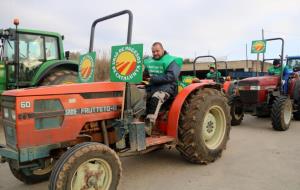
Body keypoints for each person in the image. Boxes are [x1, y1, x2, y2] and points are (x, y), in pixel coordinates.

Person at [143, 42, 182, 135]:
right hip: (153, 87)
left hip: (168, 88)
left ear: (163, 50)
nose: (155, 53)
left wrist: (153, 79)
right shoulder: (150, 62)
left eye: (157, 51)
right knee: (138, 95)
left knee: (156, 97)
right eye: (153, 52)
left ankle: (148, 126)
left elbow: (171, 77)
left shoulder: (171, 61)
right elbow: (145, 75)